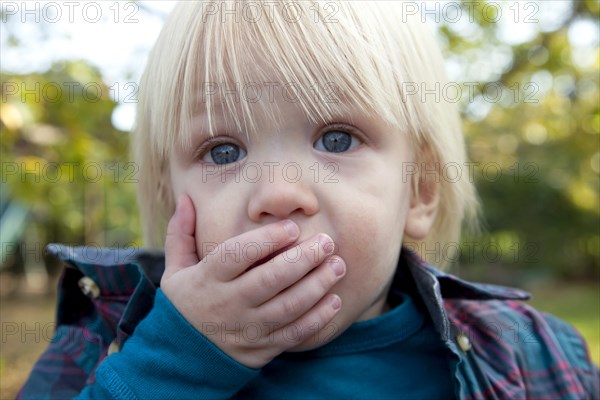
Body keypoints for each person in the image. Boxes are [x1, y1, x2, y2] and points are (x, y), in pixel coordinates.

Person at [18, 1, 599, 399]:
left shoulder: (530, 353)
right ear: (175, 203)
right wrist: (172, 363)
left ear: (419, 189)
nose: (278, 194)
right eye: (223, 151)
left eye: (337, 139)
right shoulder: (104, 343)